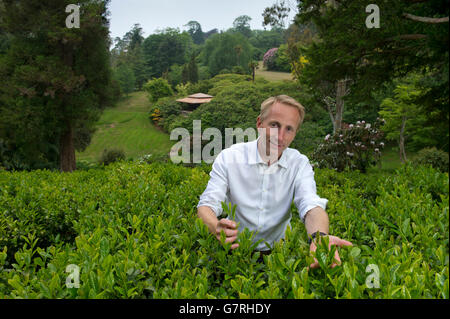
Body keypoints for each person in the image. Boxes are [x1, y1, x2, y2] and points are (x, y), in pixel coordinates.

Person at [196, 95, 352, 268]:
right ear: (259, 124)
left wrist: (319, 237)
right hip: (234, 250)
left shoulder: (299, 164)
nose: (280, 136)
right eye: (274, 125)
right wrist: (215, 225)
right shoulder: (229, 157)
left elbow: (310, 205)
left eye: (289, 129)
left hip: (279, 255)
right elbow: (207, 204)